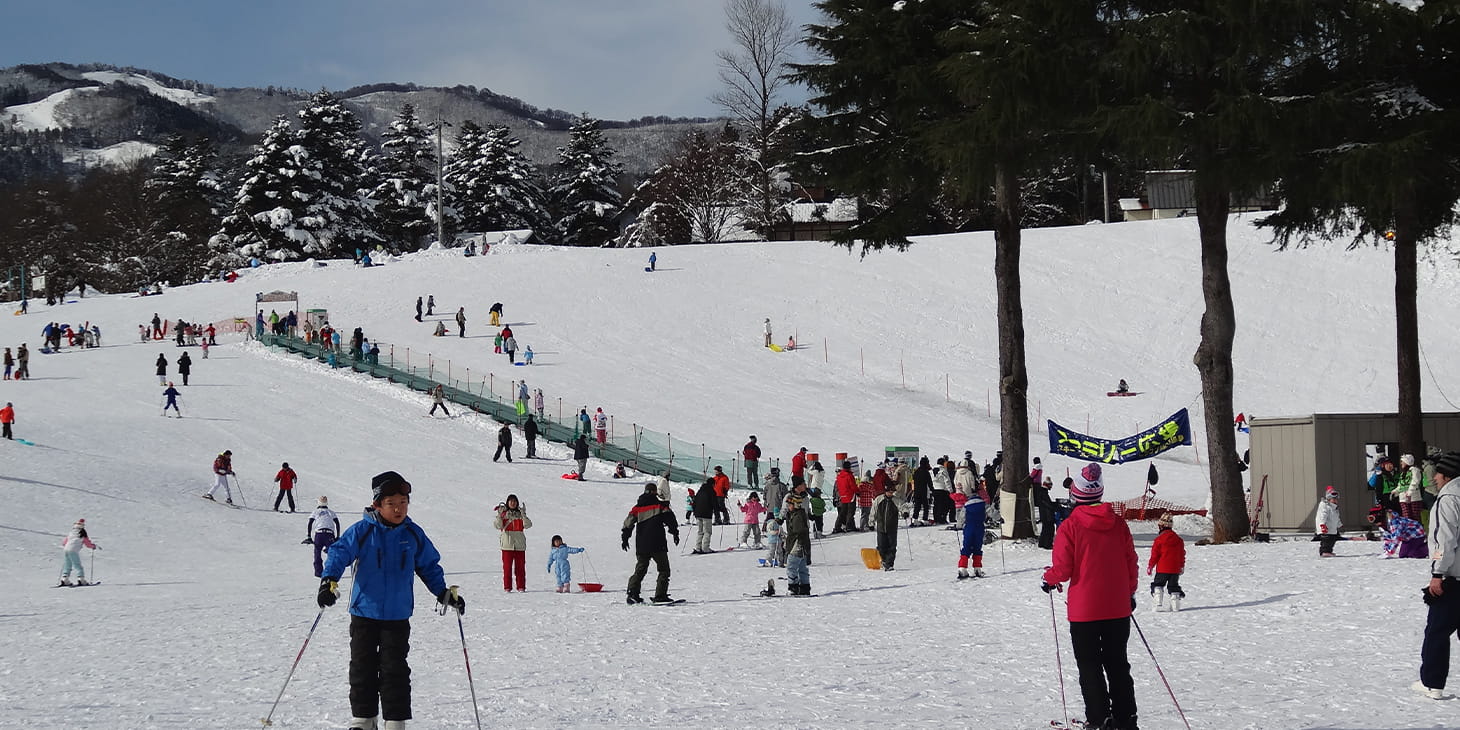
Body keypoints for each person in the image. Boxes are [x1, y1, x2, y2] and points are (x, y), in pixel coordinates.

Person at [317, 471, 462, 730]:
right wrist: (328, 581)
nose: (398, 509)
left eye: (403, 503)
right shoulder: (363, 531)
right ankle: (364, 718)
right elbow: (339, 553)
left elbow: (429, 565)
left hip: (397, 615)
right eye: (391, 503)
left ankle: (394, 721)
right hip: (364, 612)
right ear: (377, 505)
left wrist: (443, 593)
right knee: (362, 666)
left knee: (395, 669)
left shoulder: (413, 534)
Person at [1041, 463, 1139, 730]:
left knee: (1090, 665)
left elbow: (1063, 568)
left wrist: (1048, 578)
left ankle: (1099, 719)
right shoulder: (1118, 524)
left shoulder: (1070, 526)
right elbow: (1131, 561)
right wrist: (1130, 591)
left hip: (1085, 610)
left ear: (1076, 495)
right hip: (1118, 608)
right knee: (1118, 663)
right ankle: (1126, 718)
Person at [1417, 451, 1460, 699]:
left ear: (1447, 475)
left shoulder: (1449, 498)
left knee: (1437, 632)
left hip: (1453, 578)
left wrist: (1438, 573)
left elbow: (1445, 538)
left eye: (1437, 474)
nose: (1434, 479)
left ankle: (1433, 684)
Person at [621, 482, 680, 604]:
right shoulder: (659, 506)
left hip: (642, 544)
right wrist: (674, 532)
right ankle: (660, 595)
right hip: (657, 543)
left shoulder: (637, 508)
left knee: (640, 569)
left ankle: (633, 593)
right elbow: (670, 519)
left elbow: (628, 523)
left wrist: (625, 538)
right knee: (664, 570)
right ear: (654, 492)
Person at [1148, 513, 1187, 611]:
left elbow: (1155, 555)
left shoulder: (1159, 540)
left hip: (1162, 568)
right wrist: (1181, 566)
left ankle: (1157, 603)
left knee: (1158, 585)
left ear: (1161, 526)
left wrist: (1150, 566)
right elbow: (1181, 554)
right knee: (1173, 587)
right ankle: (1175, 605)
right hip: (1175, 569)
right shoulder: (1179, 540)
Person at [493, 495, 532, 592]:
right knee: (507, 568)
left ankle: (521, 586)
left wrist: (523, 515)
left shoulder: (520, 514)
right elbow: (497, 526)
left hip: (519, 545)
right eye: (511, 501)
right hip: (507, 545)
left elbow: (528, 525)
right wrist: (499, 515)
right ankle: (507, 587)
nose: (512, 503)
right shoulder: (503, 514)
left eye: (514, 501)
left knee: (520, 568)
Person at [871, 481, 904, 570]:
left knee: (892, 547)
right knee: (881, 546)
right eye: (889, 491)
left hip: (892, 527)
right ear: (885, 491)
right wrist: (871, 522)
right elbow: (873, 511)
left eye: (892, 492)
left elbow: (903, 507)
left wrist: (905, 513)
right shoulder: (879, 499)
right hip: (881, 527)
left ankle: (889, 564)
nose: (890, 493)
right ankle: (884, 560)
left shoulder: (895, 500)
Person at [304, 495, 340, 578]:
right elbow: (337, 523)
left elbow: (310, 522)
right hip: (329, 534)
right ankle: (331, 571)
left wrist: (309, 536)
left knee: (317, 553)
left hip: (319, 534)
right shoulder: (331, 512)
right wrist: (337, 536)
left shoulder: (315, 512)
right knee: (332, 553)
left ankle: (318, 572)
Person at [957, 487, 988, 579]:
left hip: (969, 527)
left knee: (966, 546)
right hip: (979, 527)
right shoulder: (983, 504)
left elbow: (961, 517)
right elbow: (991, 512)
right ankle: (977, 568)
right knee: (977, 547)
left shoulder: (966, 505)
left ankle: (962, 568)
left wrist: (958, 525)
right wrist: (999, 519)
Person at [58, 518, 98, 586]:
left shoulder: (71, 533)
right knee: (77, 565)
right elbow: (88, 544)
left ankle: (65, 578)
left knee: (67, 564)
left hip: (66, 549)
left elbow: (64, 542)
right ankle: (81, 579)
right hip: (73, 550)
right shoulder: (82, 534)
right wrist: (93, 546)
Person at [691, 478, 717, 554]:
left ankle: (698, 547)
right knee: (707, 532)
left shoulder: (700, 491)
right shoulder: (711, 491)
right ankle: (705, 548)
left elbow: (694, 502)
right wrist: (719, 510)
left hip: (698, 514)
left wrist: (695, 511)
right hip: (706, 514)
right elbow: (714, 503)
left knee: (700, 531)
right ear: (713, 484)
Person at [1315, 487, 1342, 557]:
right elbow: (1322, 516)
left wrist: (1339, 524)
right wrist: (1322, 525)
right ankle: (1324, 551)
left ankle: (1329, 551)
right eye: (1334, 499)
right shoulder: (1325, 506)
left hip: (1332, 529)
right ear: (1329, 499)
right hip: (1325, 528)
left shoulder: (1335, 508)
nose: (1335, 501)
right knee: (1326, 541)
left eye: (1336, 499)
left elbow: (1336, 518)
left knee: (1332, 541)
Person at [833, 461, 857, 533]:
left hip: (842, 496)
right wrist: (858, 492)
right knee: (850, 512)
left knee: (842, 512)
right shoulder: (849, 475)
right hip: (850, 495)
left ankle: (837, 526)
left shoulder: (839, 477)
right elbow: (853, 486)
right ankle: (849, 526)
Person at [1399, 454, 1425, 520]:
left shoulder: (1415, 470)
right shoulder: (1403, 473)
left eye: (1402, 461)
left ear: (1407, 462)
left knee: (1415, 517)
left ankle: (1416, 529)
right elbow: (1400, 484)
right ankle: (1408, 529)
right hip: (1403, 498)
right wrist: (1395, 491)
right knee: (1406, 518)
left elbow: (1415, 481)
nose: (1401, 463)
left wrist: (1409, 492)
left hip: (1414, 497)